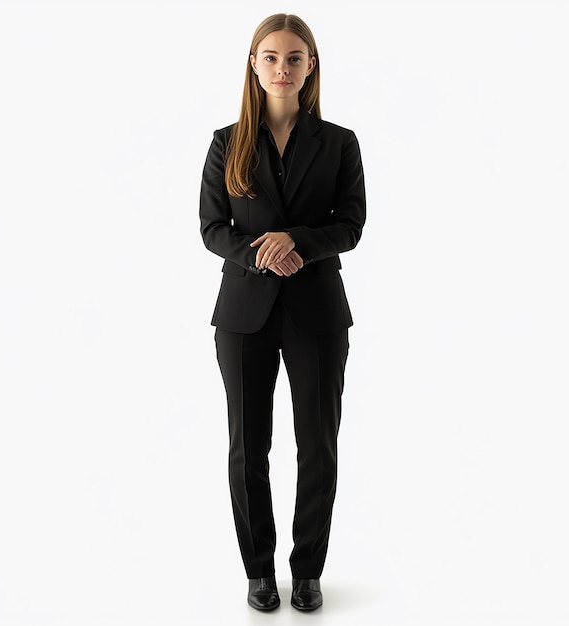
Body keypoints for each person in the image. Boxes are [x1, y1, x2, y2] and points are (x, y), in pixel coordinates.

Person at [199, 13, 366, 612]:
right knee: (249, 448)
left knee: (317, 445)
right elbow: (212, 228)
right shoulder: (227, 142)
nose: (282, 68)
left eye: (294, 58)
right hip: (243, 314)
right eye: (270, 57)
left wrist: (298, 239)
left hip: (318, 313)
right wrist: (262, 253)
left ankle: (309, 568)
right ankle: (258, 571)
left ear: (311, 66)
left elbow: (350, 225)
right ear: (254, 64)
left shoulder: (340, 142)